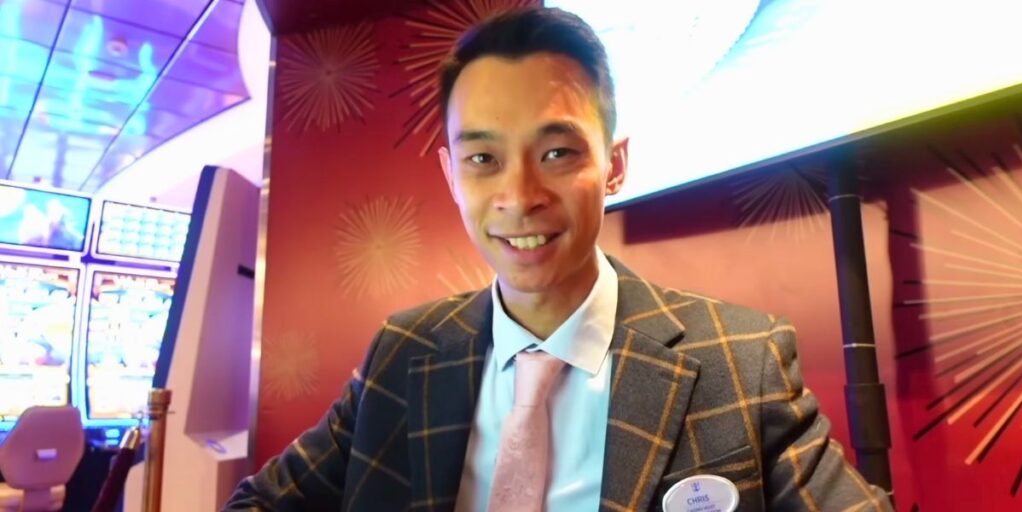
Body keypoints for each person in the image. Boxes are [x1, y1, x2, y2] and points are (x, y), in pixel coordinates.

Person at [224, 7, 891, 512]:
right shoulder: (402, 356)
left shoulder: (741, 363)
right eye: (484, 159)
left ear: (614, 165)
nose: (519, 197)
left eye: (558, 153)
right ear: (452, 176)